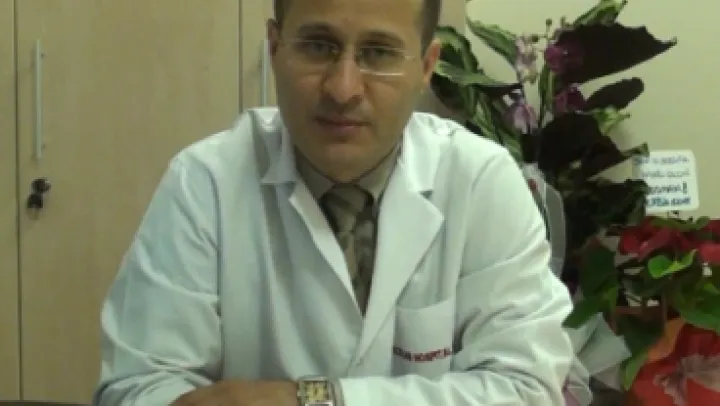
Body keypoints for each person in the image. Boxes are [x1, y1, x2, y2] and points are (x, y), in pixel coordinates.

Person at [93, 0, 575, 405]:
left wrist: (317, 399)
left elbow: (528, 388)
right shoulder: (205, 183)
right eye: (318, 46)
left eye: (378, 52)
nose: (343, 89)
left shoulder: (480, 182)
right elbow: (139, 388)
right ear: (275, 48)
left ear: (426, 67)